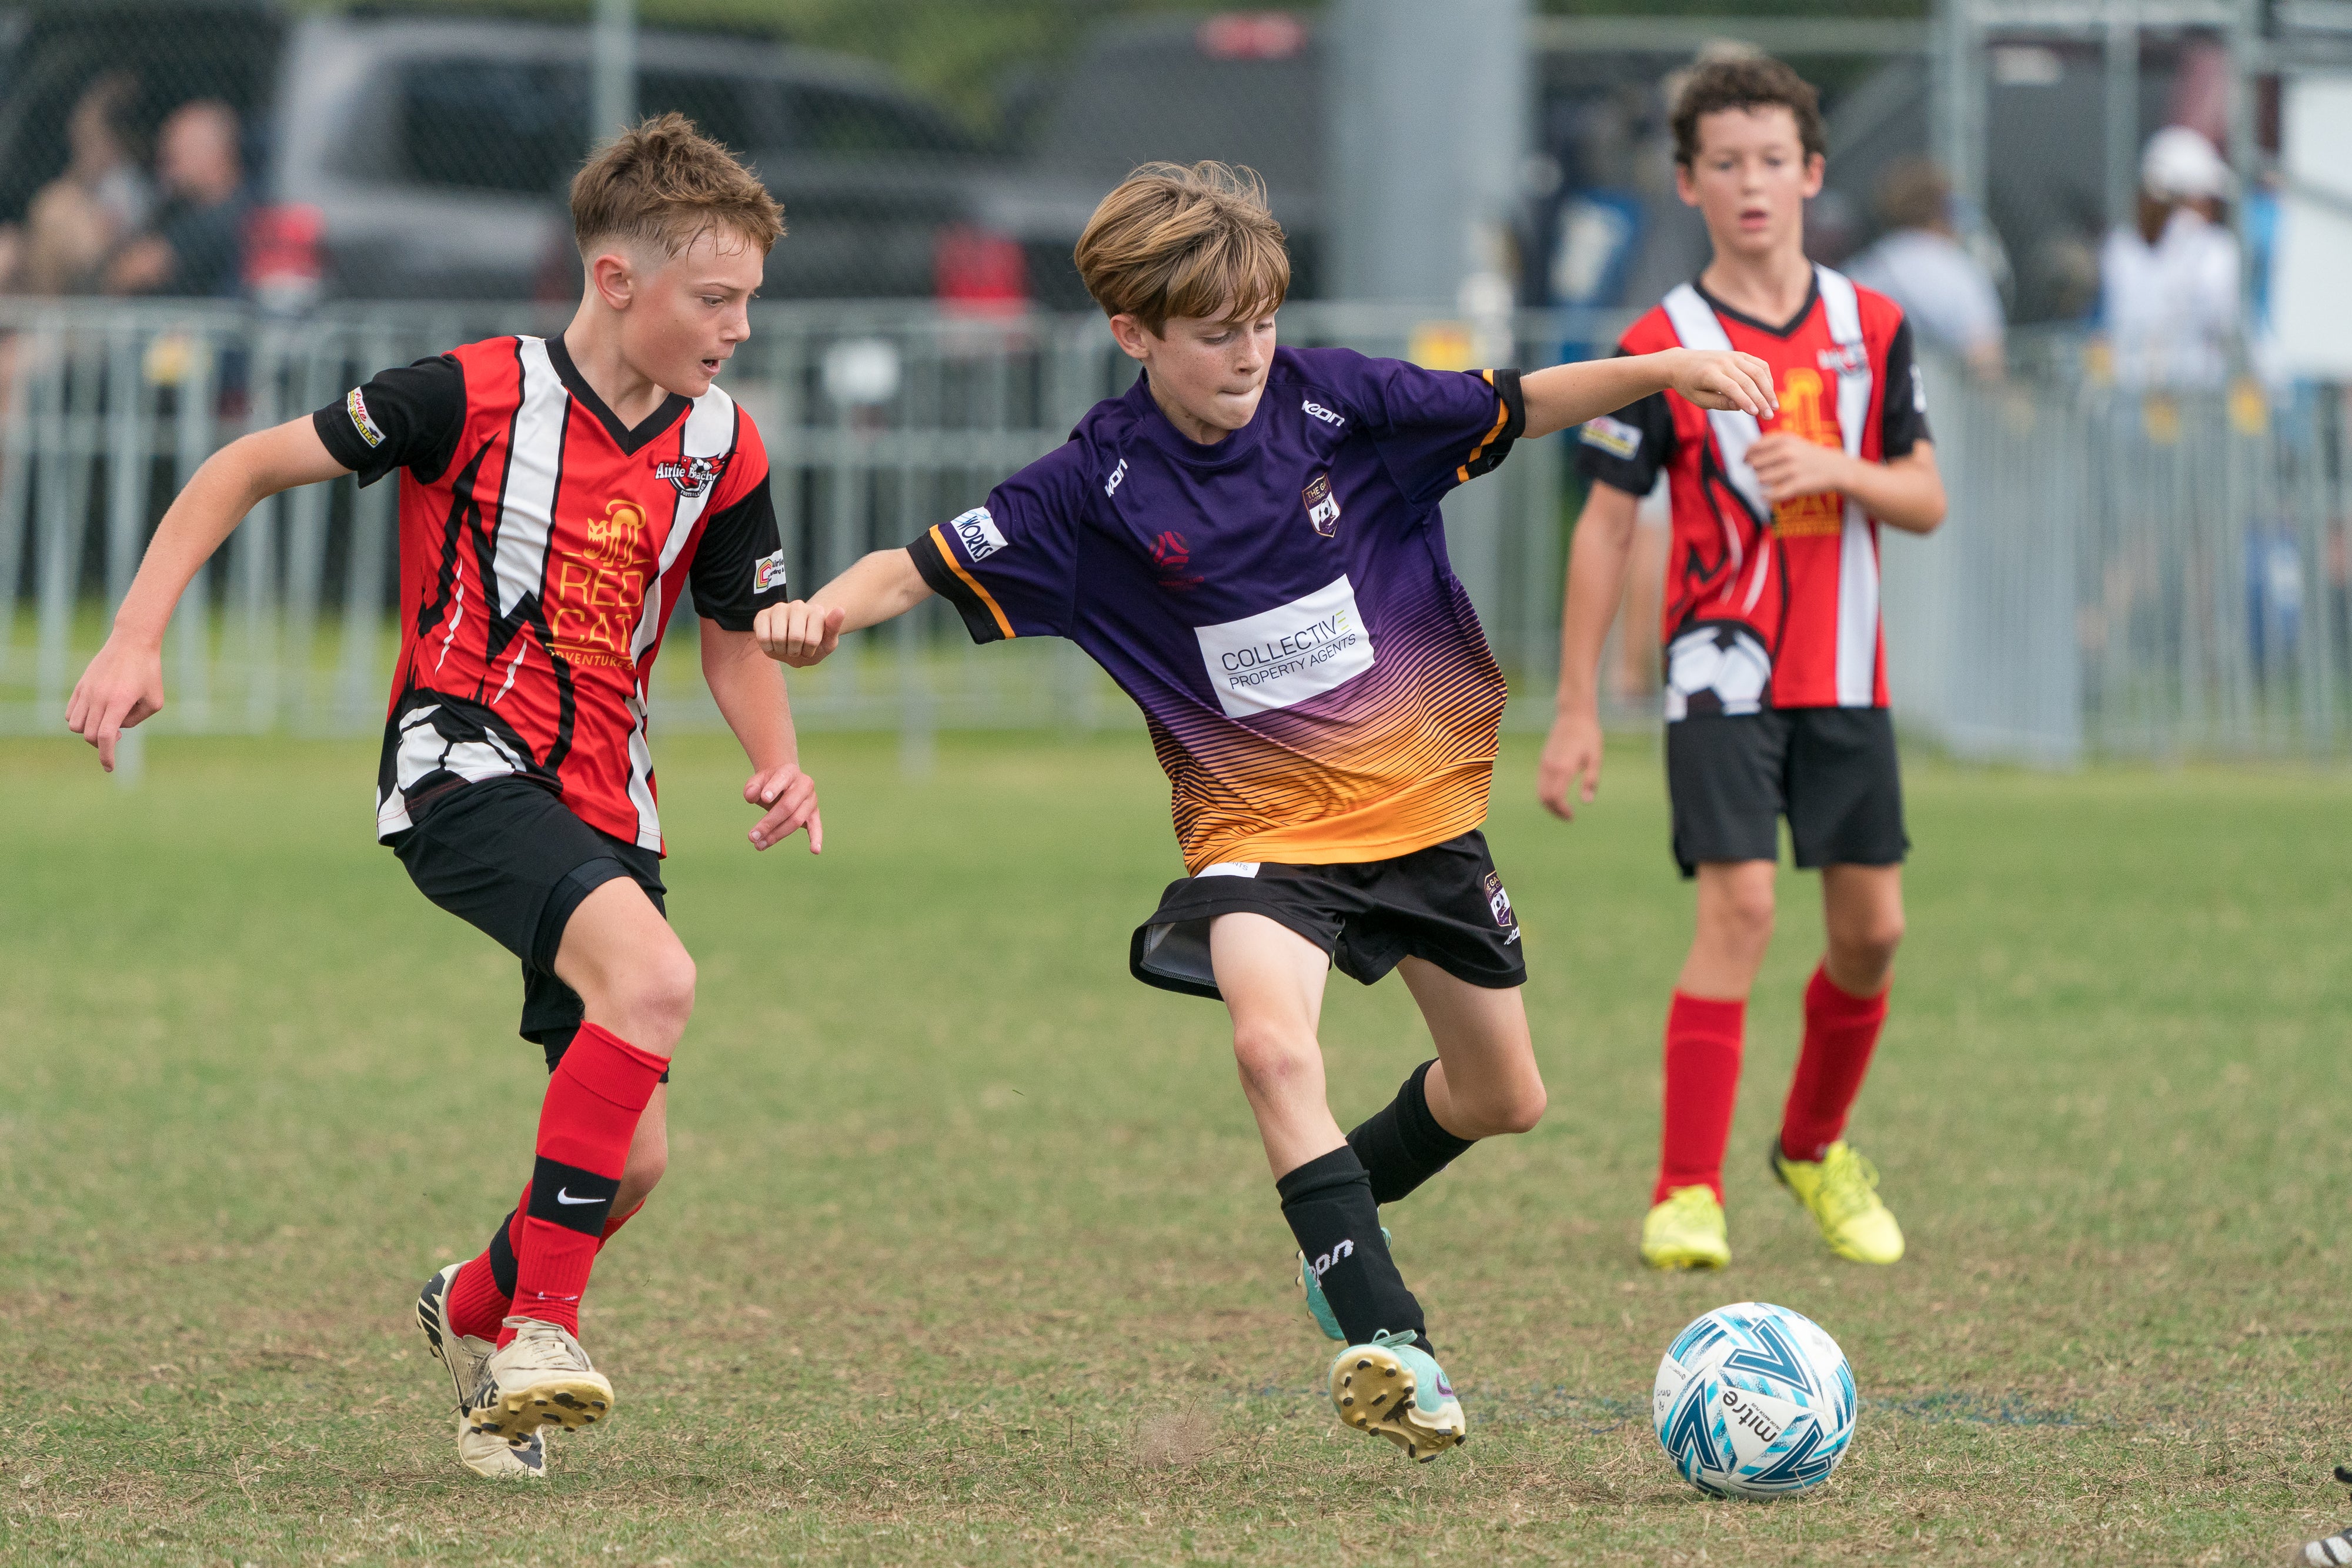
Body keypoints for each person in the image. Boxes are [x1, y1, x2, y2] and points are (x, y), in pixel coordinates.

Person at [756, 161, 1774, 1460]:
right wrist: (822, 613)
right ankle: (1389, 1339)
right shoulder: (1094, 484)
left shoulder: (1336, 402)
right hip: (1258, 837)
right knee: (1269, 1050)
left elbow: (1514, 403)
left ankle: (1332, 1218)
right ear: (1134, 333)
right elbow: (915, 565)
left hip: (1416, 814)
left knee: (1504, 1092)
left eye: (1260, 320)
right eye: (1213, 330)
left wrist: (1665, 369)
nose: (1246, 351)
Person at [65, 114, 817, 1480]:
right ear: (614, 281)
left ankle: (470, 1307)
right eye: (715, 299)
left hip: (607, 805)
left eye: (748, 301)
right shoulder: (466, 394)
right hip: (459, 758)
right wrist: (134, 634)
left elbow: (729, 629)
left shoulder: (724, 447)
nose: (738, 328)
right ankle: (538, 1334)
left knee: (631, 1164)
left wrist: (776, 749)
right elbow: (241, 467)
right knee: (653, 984)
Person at [1536, 56, 1947, 1273]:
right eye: (1724, 163)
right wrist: (1573, 708)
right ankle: (1684, 1192)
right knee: (1741, 908)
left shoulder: (1871, 328)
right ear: (1687, 182)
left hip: (1842, 677)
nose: (1751, 183)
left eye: (1772, 160)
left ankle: (1812, 1147)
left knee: (1871, 930)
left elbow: (1923, 498)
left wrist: (1840, 475)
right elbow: (1605, 522)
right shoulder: (1659, 344)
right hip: (1717, 673)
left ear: (1812, 174)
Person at [2098, 126, 2239, 390]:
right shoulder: (2211, 250)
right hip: (2174, 396)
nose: (2210, 209)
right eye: (2204, 199)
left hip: (2173, 395)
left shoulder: (2119, 248)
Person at [1845, 158, 2006, 378]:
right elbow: (1986, 360)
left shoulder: (1865, 269)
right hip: (1939, 407)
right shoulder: (1956, 271)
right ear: (1943, 210)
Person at [18, 72, 152, 296]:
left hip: (108, 258)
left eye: (92, 136)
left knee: (58, 209)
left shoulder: (127, 179)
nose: (82, 142)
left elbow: (116, 230)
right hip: (68, 259)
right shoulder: (78, 180)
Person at [106, 99, 250, 298]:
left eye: (179, 155)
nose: (168, 167)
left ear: (216, 154)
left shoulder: (231, 215)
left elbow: (131, 273)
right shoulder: (178, 208)